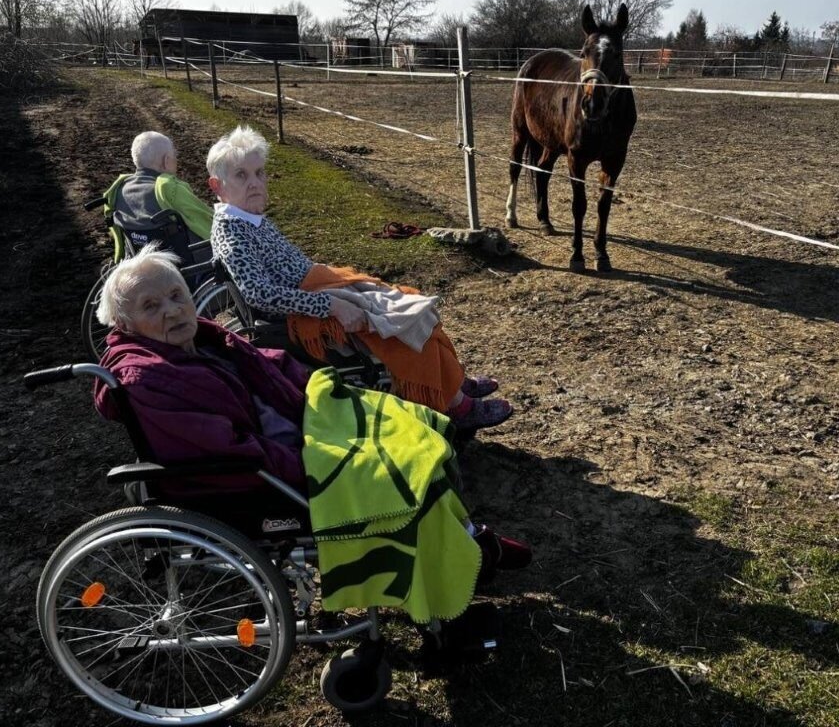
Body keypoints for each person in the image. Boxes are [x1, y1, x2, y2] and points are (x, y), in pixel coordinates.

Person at [92, 244, 531, 619]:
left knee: (412, 425)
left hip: (296, 427)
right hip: (265, 474)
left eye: (176, 295)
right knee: (399, 468)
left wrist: (321, 391)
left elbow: (269, 365)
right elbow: (229, 451)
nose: (172, 310)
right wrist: (313, 463)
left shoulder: (202, 340)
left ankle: (464, 539)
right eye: (151, 306)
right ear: (125, 325)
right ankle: (462, 564)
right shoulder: (151, 379)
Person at [207, 125, 512, 432]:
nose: (255, 182)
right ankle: (457, 406)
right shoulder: (232, 232)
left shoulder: (246, 218)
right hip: (304, 310)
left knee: (410, 301)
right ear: (217, 186)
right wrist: (331, 304)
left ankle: (451, 380)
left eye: (259, 173)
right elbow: (259, 294)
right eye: (241, 175)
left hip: (319, 286)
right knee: (401, 321)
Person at [103, 131, 214, 263]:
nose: (176, 160)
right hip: (182, 265)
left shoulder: (119, 190)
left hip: (138, 261)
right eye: (174, 156)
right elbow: (206, 221)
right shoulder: (170, 189)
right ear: (166, 161)